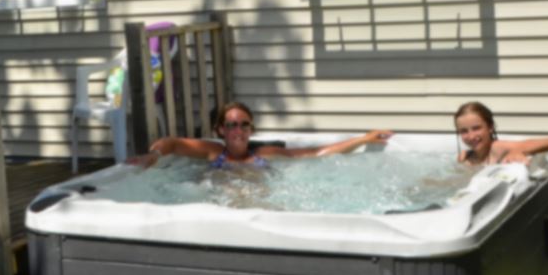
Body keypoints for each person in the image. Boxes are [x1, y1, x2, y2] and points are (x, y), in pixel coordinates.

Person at [130, 101, 392, 168]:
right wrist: (153, 155)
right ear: (220, 129)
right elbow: (172, 143)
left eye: (244, 124)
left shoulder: (265, 153)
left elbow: (315, 153)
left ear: (251, 130)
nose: (238, 130)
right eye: (231, 125)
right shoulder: (212, 152)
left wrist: (364, 138)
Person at [454, 101, 548, 165]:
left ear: (490, 127)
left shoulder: (497, 148)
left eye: (476, 128)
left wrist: (517, 151)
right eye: (464, 131)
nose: (471, 136)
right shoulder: (466, 157)